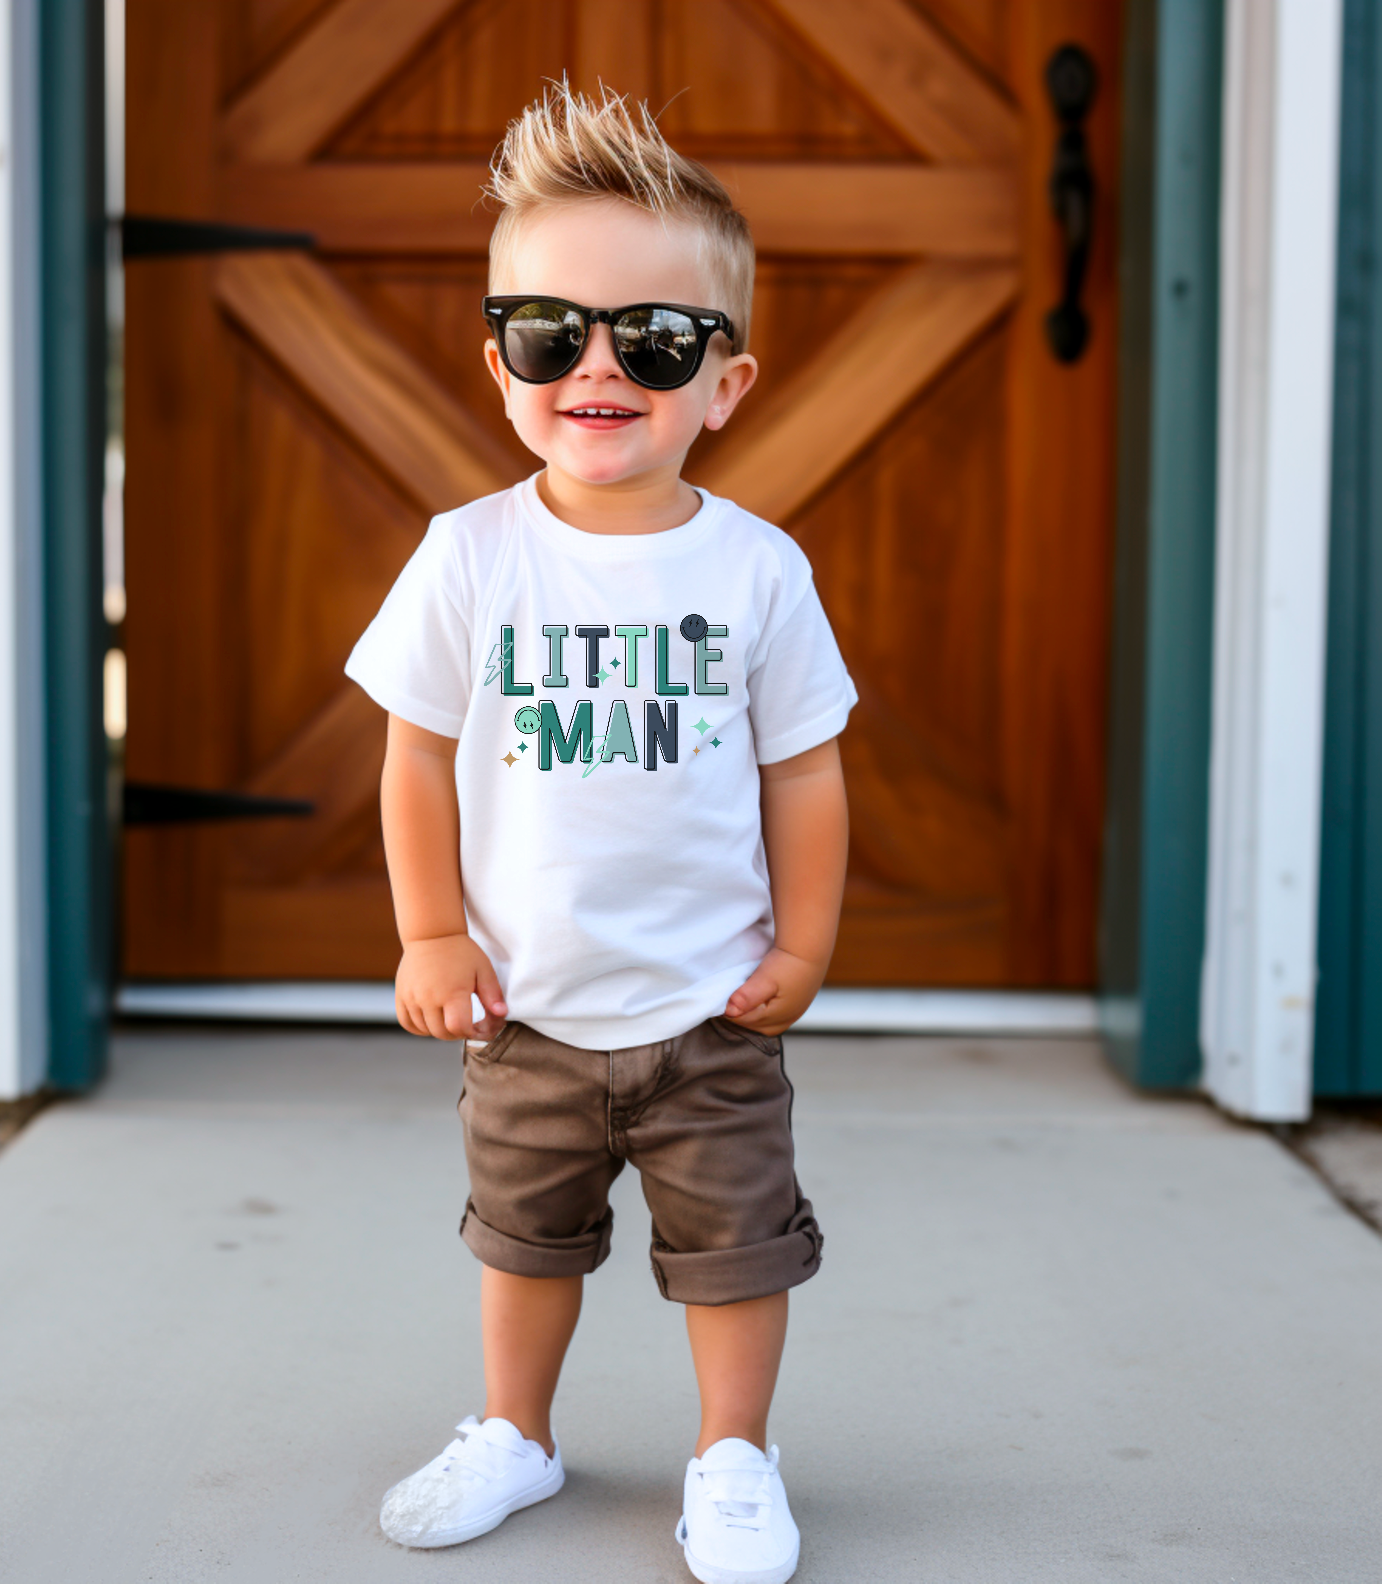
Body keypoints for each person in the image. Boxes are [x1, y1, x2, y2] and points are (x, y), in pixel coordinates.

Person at [344, 80, 856, 1584]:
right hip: (526, 1006)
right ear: (500, 360)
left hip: (708, 1007)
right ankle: (516, 1431)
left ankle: (734, 1454)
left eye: (655, 340)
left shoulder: (758, 572)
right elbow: (417, 755)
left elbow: (806, 774)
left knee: (738, 1248)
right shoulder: (470, 556)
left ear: (726, 383)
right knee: (522, 1240)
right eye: (549, 332)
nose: (599, 367)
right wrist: (430, 930)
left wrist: (805, 945)